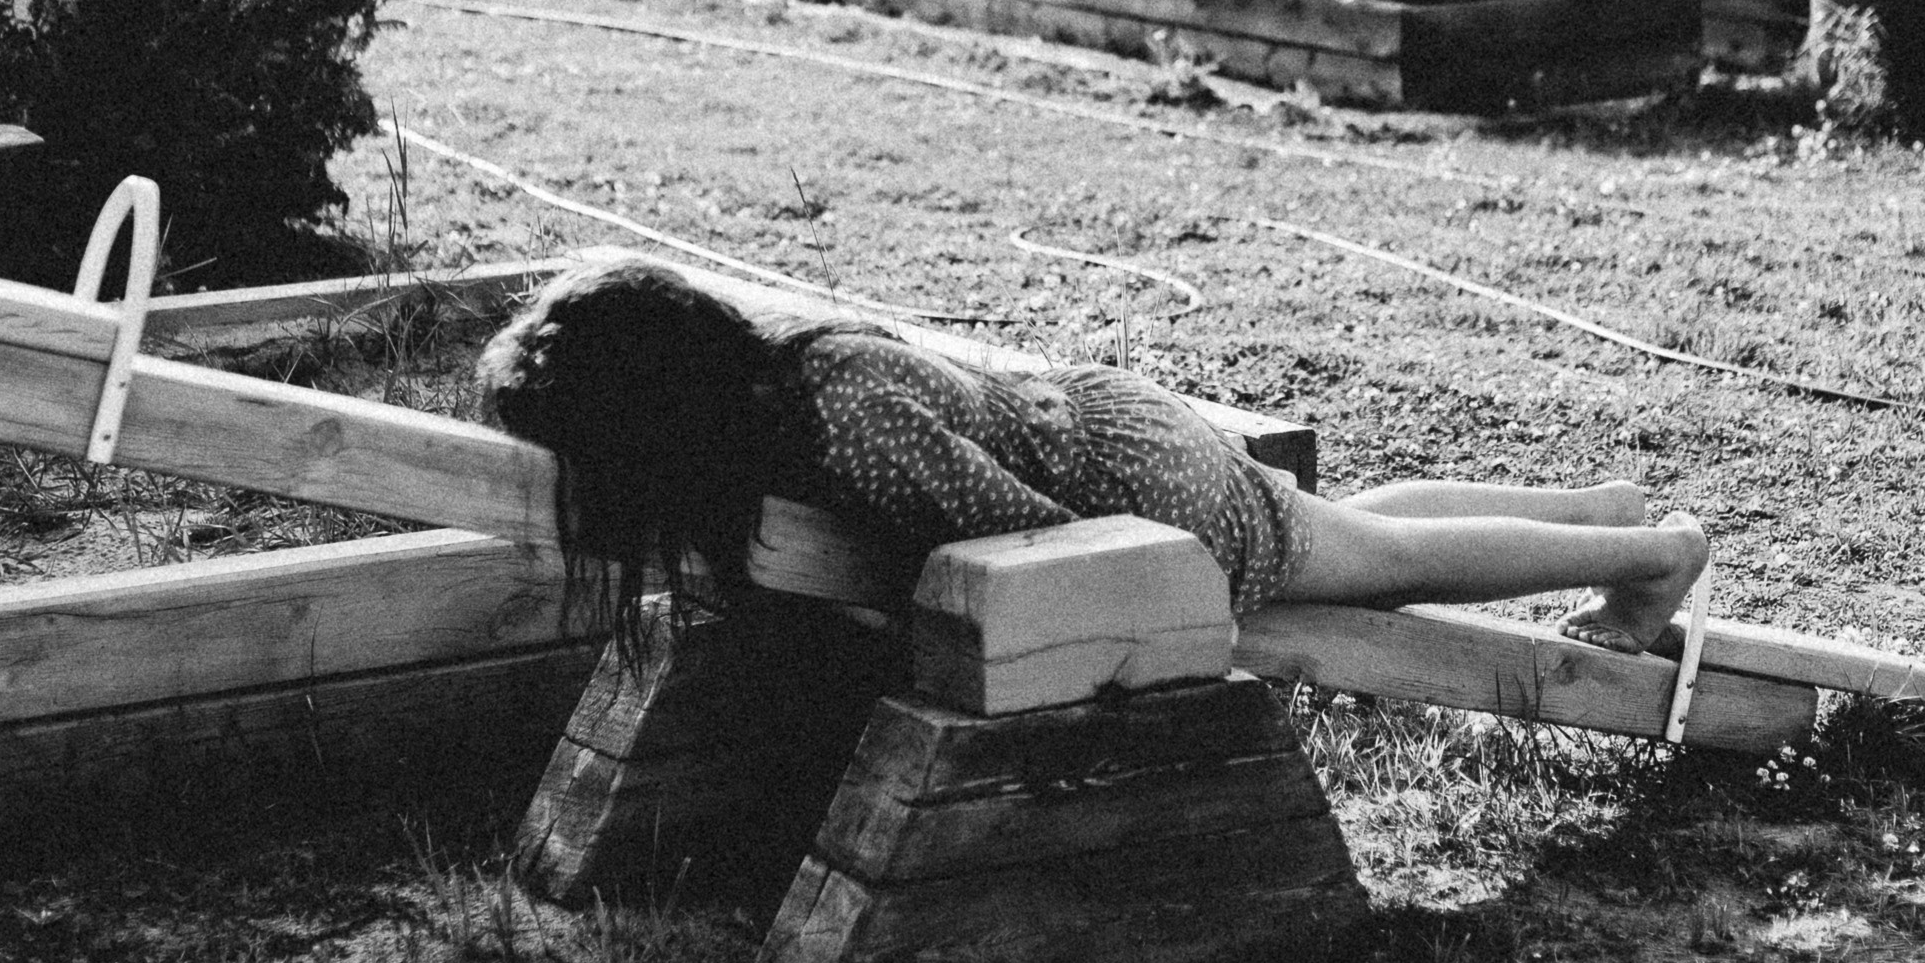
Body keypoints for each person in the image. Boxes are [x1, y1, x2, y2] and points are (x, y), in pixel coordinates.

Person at [478, 254, 1708, 661]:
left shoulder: (843, 423)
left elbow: (1036, 546)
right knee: (1350, 531)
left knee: (1377, 559)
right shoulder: (791, 375)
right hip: (1111, 427)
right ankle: (1594, 508)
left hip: (1134, 493)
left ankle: (1648, 555)